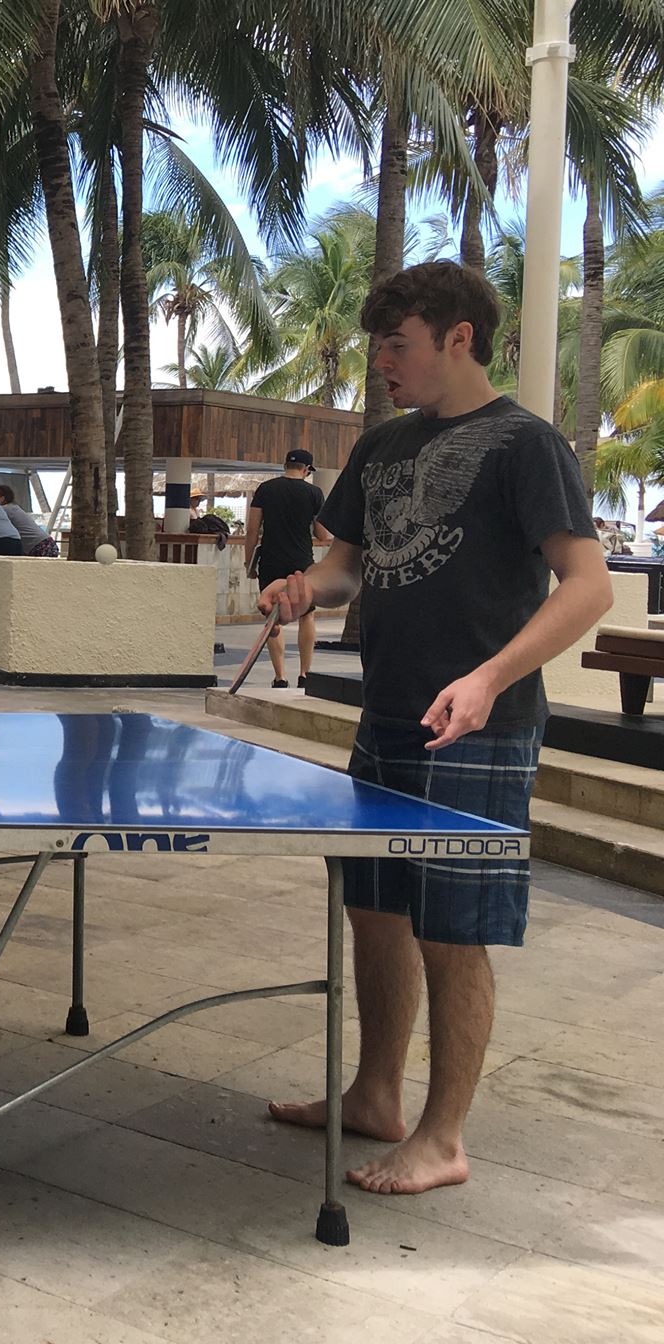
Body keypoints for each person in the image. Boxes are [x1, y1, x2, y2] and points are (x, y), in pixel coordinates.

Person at [258, 260, 611, 1197]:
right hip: (385, 718)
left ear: (458, 337)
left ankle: (442, 1136)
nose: (382, 361)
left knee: (453, 930)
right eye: (378, 343)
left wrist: (493, 677)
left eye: (398, 343)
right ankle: (377, 1095)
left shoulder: (525, 445)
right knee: (374, 911)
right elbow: (346, 572)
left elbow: (591, 587)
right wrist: (303, 589)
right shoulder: (382, 450)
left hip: (478, 729)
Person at [248, 449, 327, 689]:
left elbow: (252, 530)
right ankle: (305, 674)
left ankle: (280, 676)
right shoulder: (314, 492)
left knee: (273, 617)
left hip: (271, 559)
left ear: (285, 466)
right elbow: (322, 533)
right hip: (302, 561)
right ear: (306, 470)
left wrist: (248, 563)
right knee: (307, 614)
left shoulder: (265, 489)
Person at [0, 485, 49, 554]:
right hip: (45, 542)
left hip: (39, 546)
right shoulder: (13, 508)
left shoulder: (4, 510)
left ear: (2, 498)